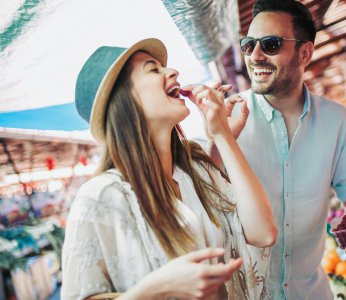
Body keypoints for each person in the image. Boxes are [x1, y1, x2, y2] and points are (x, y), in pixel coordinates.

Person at [62, 38, 277, 300]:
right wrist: (155, 289)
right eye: (153, 70)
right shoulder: (100, 197)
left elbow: (263, 233)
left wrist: (223, 135)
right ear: (124, 102)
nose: (172, 71)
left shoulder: (196, 170)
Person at [208, 0, 346, 298]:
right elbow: (201, 195)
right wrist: (218, 139)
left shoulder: (338, 121)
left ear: (305, 53)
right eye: (249, 45)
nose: (255, 56)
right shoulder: (224, 119)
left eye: (271, 44)